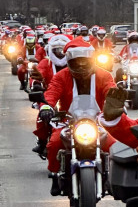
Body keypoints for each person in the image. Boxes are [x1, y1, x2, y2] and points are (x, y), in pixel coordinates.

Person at [38, 38, 116, 195]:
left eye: (84, 61)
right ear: (69, 61)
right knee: (53, 144)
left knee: (115, 146)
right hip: (68, 120)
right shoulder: (61, 76)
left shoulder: (104, 75)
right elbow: (51, 93)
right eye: (76, 62)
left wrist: (116, 103)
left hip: (98, 120)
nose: (81, 66)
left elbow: (111, 91)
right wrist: (46, 107)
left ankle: (113, 178)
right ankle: (54, 174)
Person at [31, 34, 71, 157]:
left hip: (69, 97)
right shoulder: (46, 62)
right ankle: (42, 142)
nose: (59, 53)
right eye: (56, 50)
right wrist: (37, 82)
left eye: (62, 50)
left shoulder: (73, 64)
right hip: (48, 95)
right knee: (41, 116)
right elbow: (39, 73)